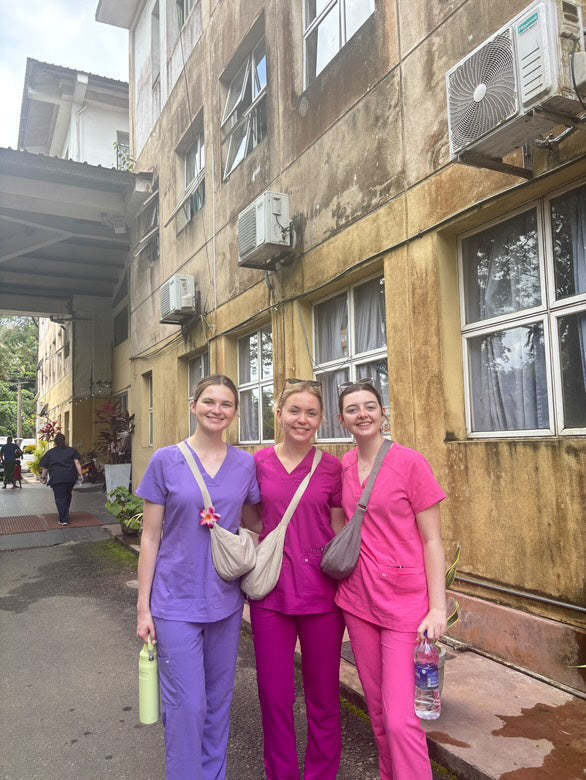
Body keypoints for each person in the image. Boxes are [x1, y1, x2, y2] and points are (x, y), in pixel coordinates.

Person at [135, 374, 261, 780]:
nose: (217, 409)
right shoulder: (165, 460)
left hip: (225, 602)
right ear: (194, 406)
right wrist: (143, 608)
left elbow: (254, 523)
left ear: (235, 413)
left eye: (226, 403)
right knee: (186, 705)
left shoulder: (245, 465)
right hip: (174, 601)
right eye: (209, 401)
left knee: (217, 701)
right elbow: (150, 536)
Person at [336, 381, 447, 780]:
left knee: (402, 719)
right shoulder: (345, 467)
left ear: (384, 412)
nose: (362, 413)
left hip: (405, 605)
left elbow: (433, 540)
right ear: (342, 418)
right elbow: (341, 527)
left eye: (370, 406)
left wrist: (438, 607)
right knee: (379, 712)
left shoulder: (411, 463)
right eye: (353, 408)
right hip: (358, 601)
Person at [249, 379, 345, 780]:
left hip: (321, 595)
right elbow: (250, 517)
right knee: (275, 696)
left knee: (323, 696)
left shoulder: (331, 467)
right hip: (270, 594)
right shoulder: (258, 463)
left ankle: (321, 773)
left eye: (310, 413)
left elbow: (338, 530)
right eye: (294, 411)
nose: (302, 419)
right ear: (279, 414)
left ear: (320, 420)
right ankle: (282, 774)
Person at [40, 433, 82, 524]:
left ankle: (63, 519)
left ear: (55, 442)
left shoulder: (50, 452)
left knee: (60, 498)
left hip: (57, 478)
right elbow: (77, 463)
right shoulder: (72, 451)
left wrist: (43, 477)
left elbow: (45, 468)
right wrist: (80, 475)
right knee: (67, 495)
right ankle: (64, 514)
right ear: (64, 440)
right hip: (70, 477)